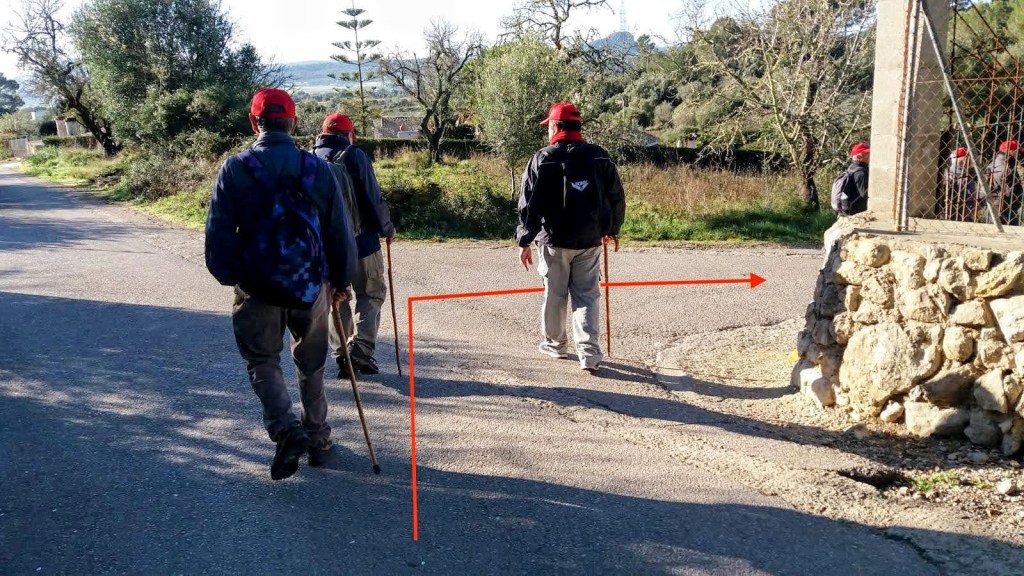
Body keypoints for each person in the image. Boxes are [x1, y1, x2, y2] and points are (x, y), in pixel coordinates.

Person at [205, 88, 357, 480]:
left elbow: (218, 234)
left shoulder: (235, 169)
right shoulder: (318, 169)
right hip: (311, 286)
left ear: (254, 122)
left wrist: (231, 275)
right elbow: (338, 230)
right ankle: (318, 438)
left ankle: (286, 428)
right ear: (293, 122)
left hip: (257, 287)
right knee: (312, 363)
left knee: (262, 359)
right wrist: (341, 280)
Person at [515, 102, 626, 372]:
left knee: (555, 295)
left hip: (553, 241)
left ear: (555, 127)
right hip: (590, 240)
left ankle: (555, 345)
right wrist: (611, 229)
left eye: (548, 126)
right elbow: (616, 196)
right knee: (587, 295)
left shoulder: (543, 158)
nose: (548, 131)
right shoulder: (600, 157)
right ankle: (589, 354)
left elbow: (529, 203)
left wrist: (524, 240)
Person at [312, 113, 397, 377]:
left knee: (335, 298)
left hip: (325, 247)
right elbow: (372, 198)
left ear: (323, 133)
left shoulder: (309, 158)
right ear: (350, 134)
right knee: (371, 293)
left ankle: (342, 354)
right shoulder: (354, 155)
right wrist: (387, 228)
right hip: (361, 243)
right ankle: (360, 350)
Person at [984, 139, 1022, 226]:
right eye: (1017, 151)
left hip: (994, 206)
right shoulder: (1006, 167)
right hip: (1006, 209)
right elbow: (1009, 192)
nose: (1018, 154)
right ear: (1011, 151)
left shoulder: (992, 164)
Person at [834, 142, 870, 216]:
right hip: (857, 212)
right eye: (867, 153)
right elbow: (865, 194)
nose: (869, 155)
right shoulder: (860, 173)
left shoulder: (852, 168)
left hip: (849, 210)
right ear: (859, 157)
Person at [945, 147, 979, 221]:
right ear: (963, 159)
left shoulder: (948, 172)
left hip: (948, 211)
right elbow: (971, 199)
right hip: (963, 213)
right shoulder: (966, 177)